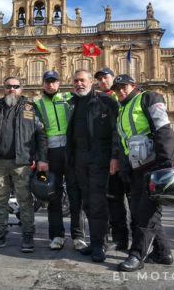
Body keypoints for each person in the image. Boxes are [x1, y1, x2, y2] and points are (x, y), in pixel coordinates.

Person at [112, 74, 174, 271]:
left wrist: (165, 164)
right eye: (117, 89)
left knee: (146, 213)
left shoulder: (149, 98)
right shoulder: (122, 110)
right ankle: (163, 253)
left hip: (154, 165)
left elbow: (164, 128)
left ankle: (137, 255)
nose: (120, 91)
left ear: (134, 85)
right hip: (136, 168)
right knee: (144, 212)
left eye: (124, 87)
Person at [0, 76, 48, 253]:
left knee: (25, 200)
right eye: (9, 86)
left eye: (16, 86)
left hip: (22, 163)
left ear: (21, 89)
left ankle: (27, 235)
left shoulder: (30, 109)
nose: (12, 89)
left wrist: (42, 158)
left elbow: (40, 135)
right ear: (4, 88)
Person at [65, 69, 119, 262]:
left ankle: (98, 245)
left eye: (82, 80)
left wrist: (114, 156)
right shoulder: (71, 103)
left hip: (99, 160)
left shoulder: (106, 101)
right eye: (76, 81)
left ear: (90, 82)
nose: (79, 84)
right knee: (86, 202)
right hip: (78, 161)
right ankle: (98, 241)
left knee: (97, 203)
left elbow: (116, 131)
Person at [35, 71, 73, 250]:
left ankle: (79, 236)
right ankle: (57, 235)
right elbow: (38, 134)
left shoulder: (69, 99)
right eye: (47, 82)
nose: (50, 85)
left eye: (53, 81)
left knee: (76, 195)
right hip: (51, 155)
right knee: (53, 195)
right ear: (43, 84)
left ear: (59, 83)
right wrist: (41, 158)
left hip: (70, 152)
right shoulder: (37, 104)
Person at [95, 67, 129, 250]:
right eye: (99, 79)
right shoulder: (100, 99)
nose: (102, 81)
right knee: (105, 199)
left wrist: (115, 156)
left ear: (113, 78)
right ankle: (106, 238)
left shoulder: (118, 99)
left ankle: (121, 239)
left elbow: (117, 131)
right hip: (102, 158)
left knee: (116, 199)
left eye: (105, 77)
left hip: (116, 157)